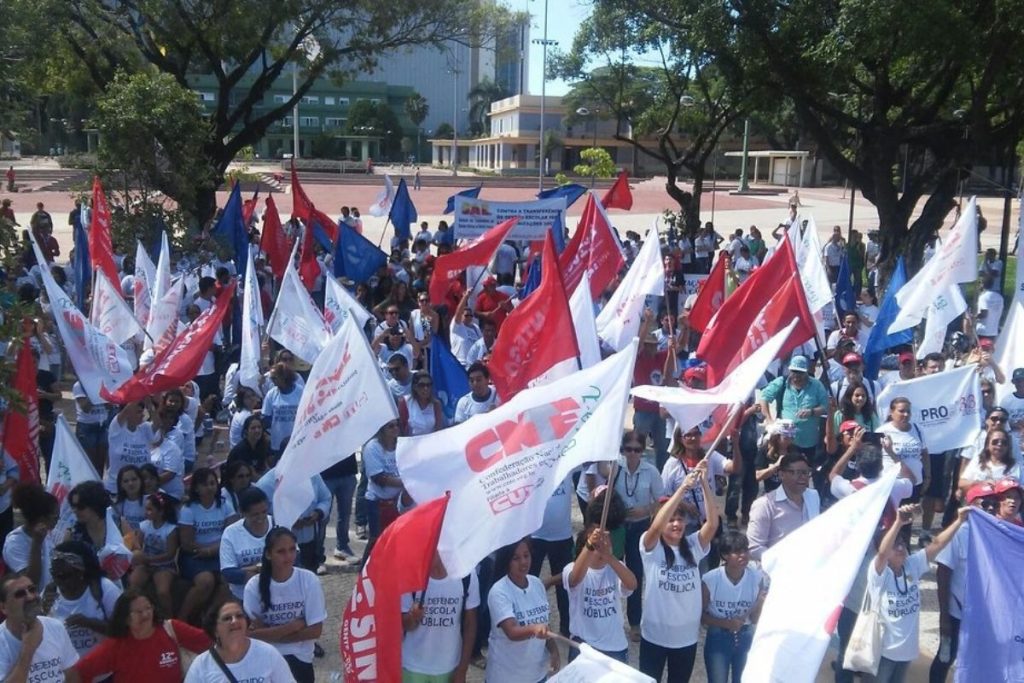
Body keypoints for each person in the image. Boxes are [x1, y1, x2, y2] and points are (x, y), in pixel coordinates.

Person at [867, 503, 967, 683]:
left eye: (902, 543)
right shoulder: (879, 573)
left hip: (907, 652)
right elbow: (882, 554)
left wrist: (959, 521)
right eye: (895, 545)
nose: (901, 547)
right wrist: (898, 523)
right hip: (883, 653)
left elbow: (937, 544)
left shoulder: (912, 565)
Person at [638, 466, 719, 681]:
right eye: (670, 519)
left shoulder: (693, 545)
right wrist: (682, 488)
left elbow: (712, 525)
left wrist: (703, 484)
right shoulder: (650, 546)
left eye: (680, 519)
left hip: (686, 638)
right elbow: (655, 528)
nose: (676, 524)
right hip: (654, 635)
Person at [928, 483, 998, 683]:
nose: (991, 508)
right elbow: (943, 574)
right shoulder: (959, 532)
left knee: (975, 660)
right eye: (985, 504)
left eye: (994, 503)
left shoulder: (996, 533)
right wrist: (944, 618)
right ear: (971, 505)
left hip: (982, 613)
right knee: (945, 658)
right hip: (956, 613)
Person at [72, 588, 211, 681]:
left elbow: (211, 643)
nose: (145, 614)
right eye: (138, 612)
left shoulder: (172, 629)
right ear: (126, 618)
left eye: (148, 608)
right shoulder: (115, 646)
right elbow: (79, 672)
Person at [243, 528, 326, 683]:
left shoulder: (309, 580)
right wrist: (292, 627)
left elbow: (315, 631)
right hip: (265, 654)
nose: (288, 556)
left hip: (299, 656)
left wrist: (272, 635)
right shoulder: (253, 586)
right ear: (268, 554)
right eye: (281, 551)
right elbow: (253, 635)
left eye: (292, 550)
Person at [485, 537, 560, 682]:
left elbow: (544, 624)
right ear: (507, 561)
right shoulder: (499, 591)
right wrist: (534, 629)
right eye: (516, 558)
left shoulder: (537, 584)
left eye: (526, 556)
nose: (523, 562)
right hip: (506, 677)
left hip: (537, 676)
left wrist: (554, 650)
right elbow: (512, 632)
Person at [613, 431, 664, 641]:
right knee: (610, 573)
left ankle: (634, 622)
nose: (633, 453)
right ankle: (612, 619)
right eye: (628, 449)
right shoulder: (615, 468)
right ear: (622, 450)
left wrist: (647, 510)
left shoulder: (651, 471)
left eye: (637, 449)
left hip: (639, 526)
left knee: (635, 575)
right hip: (617, 526)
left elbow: (662, 500)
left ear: (643, 451)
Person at [564, 523, 637, 663]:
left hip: (615, 645)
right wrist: (590, 544)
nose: (602, 548)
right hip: (583, 645)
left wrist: (609, 557)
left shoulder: (616, 567)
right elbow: (574, 579)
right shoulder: (571, 568)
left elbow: (632, 584)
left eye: (606, 543)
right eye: (596, 546)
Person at [401, 551, 480, 682]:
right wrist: (413, 617)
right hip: (413, 667)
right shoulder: (410, 574)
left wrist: (462, 669)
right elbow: (404, 625)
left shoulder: (466, 575)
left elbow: (470, 624)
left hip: (449, 666)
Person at [701, 531, 766, 683]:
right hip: (718, 637)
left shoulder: (757, 579)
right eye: (737, 552)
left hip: (746, 636)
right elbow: (700, 616)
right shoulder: (710, 580)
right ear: (725, 555)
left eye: (745, 550)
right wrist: (725, 623)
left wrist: (761, 603)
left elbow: (755, 619)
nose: (743, 555)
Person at [41, 540, 122, 664]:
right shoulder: (49, 594)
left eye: (64, 576)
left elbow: (123, 630)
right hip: (68, 674)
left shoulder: (104, 589)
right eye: (54, 575)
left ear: (80, 571)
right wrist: (43, 613)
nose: (58, 581)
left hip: (103, 671)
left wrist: (89, 623)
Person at [185, 597, 294, 682]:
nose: (235, 621)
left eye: (239, 616)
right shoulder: (201, 665)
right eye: (227, 618)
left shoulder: (268, 654)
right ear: (215, 629)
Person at [178, 467, 237, 623]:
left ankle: (208, 619)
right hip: (195, 555)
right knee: (206, 581)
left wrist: (212, 550)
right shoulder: (188, 509)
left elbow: (231, 534)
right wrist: (205, 551)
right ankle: (181, 620)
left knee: (228, 581)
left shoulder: (225, 505)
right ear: (196, 488)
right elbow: (186, 542)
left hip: (219, 553)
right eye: (205, 484)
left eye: (212, 483)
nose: (210, 487)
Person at [0, 573, 79, 681]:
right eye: (19, 594)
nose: (30, 597)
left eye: (32, 589)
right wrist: (28, 649)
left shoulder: (55, 627)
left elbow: (72, 676)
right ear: (4, 607)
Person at [747, 452, 820, 561]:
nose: (803, 477)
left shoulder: (813, 496)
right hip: (778, 570)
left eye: (806, 472)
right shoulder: (764, 505)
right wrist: (781, 561)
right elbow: (754, 547)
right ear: (781, 475)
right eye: (797, 473)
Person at [758, 355, 830, 460]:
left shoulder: (816, 385)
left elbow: (826, 406)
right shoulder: (781, 382)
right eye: (794, 372)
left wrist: (812, 412)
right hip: (785, 442)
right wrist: (769, 419)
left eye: (800, 372)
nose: (796, 376)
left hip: (808, 439)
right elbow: (763, 398)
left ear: (806, 371)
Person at [65, 481, 132, 581]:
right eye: (73, 506)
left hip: (120, 583)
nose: (75, 511)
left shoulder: (119, 524)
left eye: (81, 506)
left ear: (94, 504)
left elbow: (136, 551)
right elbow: (64, 563)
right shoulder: (72, 534)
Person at [129, 492, 179, 617]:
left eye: (150, 509)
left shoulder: (170, 529)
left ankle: (169, 617)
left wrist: (150, 559)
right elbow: (138, 545)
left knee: (162, 591)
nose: (146, 512)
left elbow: (170, 554)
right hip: (146, 564)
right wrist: (138, 554)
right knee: (133, 583)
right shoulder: (144, 525)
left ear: (161, 511)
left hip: (164, 566)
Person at [220, 487, 274, 600]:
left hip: (277, 594)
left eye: (264, 512)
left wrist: (249, 569)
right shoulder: (231, 533)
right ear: (242, 512)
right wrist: (266, 569)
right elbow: (228, 573)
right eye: (255, 514)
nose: (261, 518)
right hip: (242, 596)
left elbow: (294, 559)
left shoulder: (277, 524)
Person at [878, 397, 929, 499]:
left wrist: (928, 476)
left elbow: (924, 453)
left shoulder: (917, 429)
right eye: (901, 411)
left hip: (915, 484)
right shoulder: (882, 431)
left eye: (908, 411)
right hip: (892, 484)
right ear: (891, 412)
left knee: (911, 513)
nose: (905, 415)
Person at [106, 401, 154, 495]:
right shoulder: (116, 428)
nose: (143, 415)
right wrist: (137, 392)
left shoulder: (145, 428)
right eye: (138, 412)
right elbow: (129, 406)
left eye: (142, 411)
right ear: (128, 413)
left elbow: (158, 423)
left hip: (138, 490)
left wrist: (149, 402)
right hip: (116, 489)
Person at [262, 363, 303, 457]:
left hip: (297, 440)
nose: (272, 381)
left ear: (284, 376)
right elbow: (266, 417)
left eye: (274, 378)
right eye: (271, 378)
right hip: (277, 442)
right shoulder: (271, 394)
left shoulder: (301, 392)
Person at [398, 370, 445, 435]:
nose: (426, 388)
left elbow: (438, 430)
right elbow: (402, 428)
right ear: (414, 387)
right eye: (422, 385)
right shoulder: (405, 402)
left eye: (428, 385)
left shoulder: (436, 404)